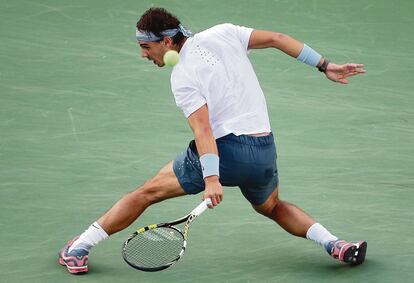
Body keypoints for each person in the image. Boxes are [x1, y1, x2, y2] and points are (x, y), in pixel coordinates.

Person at [58, 7, 367, 274]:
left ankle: (79, 246)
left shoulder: (181, 76)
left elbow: (204, 131)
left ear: (166, 42)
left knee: (146, 193)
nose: (143, 54)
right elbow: (277, 39)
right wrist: (324, 65)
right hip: (263, 151)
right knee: (272, 206)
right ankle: (334, 243)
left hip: (227, 153)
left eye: (145, 46)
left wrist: (212, 179)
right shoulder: (224, 32)